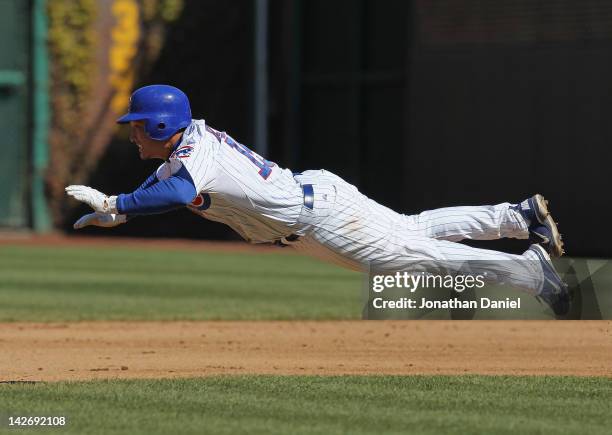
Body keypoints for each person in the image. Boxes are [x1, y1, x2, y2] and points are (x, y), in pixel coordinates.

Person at [66, 84, 570, 316]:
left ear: (159, 125)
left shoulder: (193, 157)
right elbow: (173, 183)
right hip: (315, 205)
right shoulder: (190, 145)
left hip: (319, 218)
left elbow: (176, 189)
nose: (132, 135)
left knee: (412, 255)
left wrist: (119, 204)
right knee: (414, 231)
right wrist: (122, 206)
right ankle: (517, 215)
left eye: (136, 126)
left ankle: (531, 271)